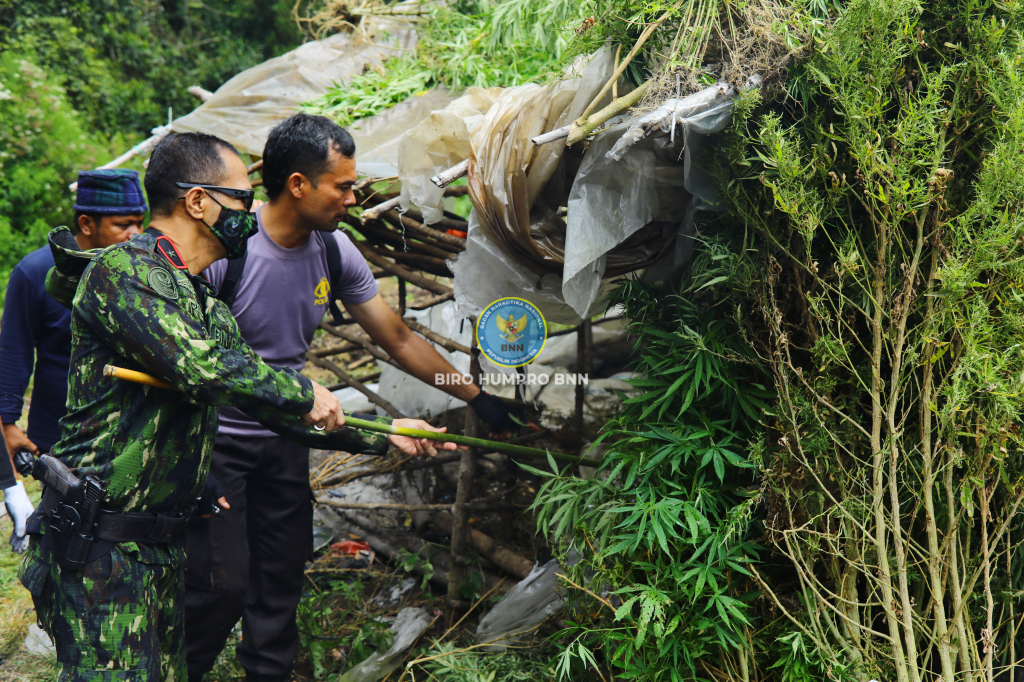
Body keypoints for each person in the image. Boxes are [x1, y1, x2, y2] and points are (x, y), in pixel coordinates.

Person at [18, 131, 460, 682]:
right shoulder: (124, 274)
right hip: (103, 547)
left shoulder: (204, 303)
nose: (251, 215)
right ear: (197, 201)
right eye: (242, 199)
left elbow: (269, 408)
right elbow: (202, 367)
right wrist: (303, 391)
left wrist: (384, 432)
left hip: (159, 545)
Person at [184, 114, 516, 682]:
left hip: (288, 440)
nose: (353, 197)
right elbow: (185, 355)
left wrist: (476, 396)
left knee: (282, 575)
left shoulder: (334, 251)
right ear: (298, 185)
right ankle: (178, 666)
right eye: (342, 186)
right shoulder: (227, 251)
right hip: (218, 445)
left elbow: (398, 338)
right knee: (222, 584)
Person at [0, 170, 146, 552]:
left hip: (126, 431)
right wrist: (8, 422)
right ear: (86, 224)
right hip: (58, 434)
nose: (135, 233)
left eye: (140, 223)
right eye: (123, 225)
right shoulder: (35, 273)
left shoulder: (142, 273)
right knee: (63, 536)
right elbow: (15, 349)